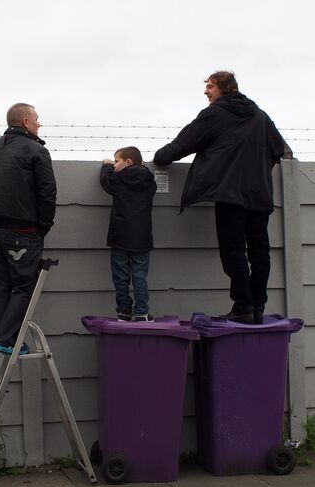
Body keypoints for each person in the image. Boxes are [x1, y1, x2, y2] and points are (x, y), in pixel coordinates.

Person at [154, 71, 285, 324]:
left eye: (210, 87)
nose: (206, 92)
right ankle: (257, 306)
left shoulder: (215, 113)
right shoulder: (260, 115)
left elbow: (186, 142)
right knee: (260, 252)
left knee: (233, 251)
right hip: (259, 195)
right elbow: (278, 149)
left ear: (224, 88)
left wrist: (161, 157)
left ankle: (243, 306)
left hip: (230, 195)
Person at [0, 102, 57, 354]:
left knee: (0, 286)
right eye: (37, 119)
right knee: (24, 286)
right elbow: (47, 193)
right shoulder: (36, 150)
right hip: (22, 230)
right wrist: (43, 226)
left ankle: (7, 340)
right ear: (25, 122)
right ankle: (5, 338)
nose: (39, 124)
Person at [100, 146, 157, 322]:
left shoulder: (118, 180)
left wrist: (106, 166)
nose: (115, 165)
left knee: (120, 276)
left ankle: (124, 311)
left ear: (128, 162)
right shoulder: (149, 181)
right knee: (140, 276)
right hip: (142, 237)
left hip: (120, 237)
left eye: (117, 161)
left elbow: (105, 183)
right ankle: (142, 312)